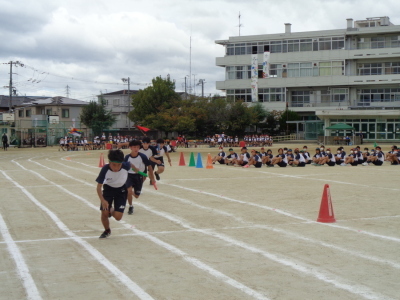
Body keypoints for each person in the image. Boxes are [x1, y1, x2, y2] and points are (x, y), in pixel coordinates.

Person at [96, 149, 130, 238]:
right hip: (108, 190)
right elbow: (99, 187)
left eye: (119, 165)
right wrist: (103, 200)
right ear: (109, 162)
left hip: (121, 191)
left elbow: (131, 165)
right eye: (114, 165)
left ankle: (110, 209)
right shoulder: (105, 169)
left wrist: (138, 170)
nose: (116, 167)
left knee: (118, 217)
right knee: (104, 213)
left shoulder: (126, 166)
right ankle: (107, 230)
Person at [124, 140, 156, 215]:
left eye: (137, 147)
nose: (136, 149)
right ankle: (130, 206)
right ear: (130, 148)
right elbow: (123, 167)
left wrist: (152, 178)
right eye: (134, 147)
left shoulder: (142, 156)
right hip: (129, 175)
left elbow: (149, 167)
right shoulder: (127, 157)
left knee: (137, 196)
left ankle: (133, 194)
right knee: (129, 191)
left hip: (139, 176)